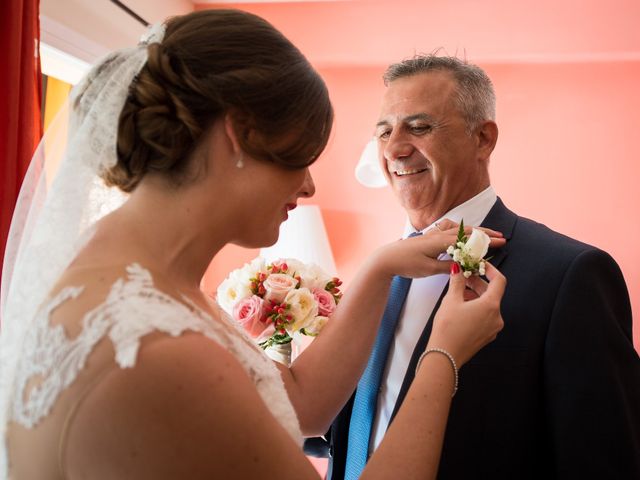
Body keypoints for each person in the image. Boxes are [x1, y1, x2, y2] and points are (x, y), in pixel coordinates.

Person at [0, 11, 507, 479]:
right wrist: (444, 355)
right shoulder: (162, 347)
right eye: (299, 157)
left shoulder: (131, 276)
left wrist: (377, 269)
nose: (308, 187)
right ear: (239, 135)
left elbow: (298, 405)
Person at [317, 55, 640, 479]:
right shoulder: (374, 274)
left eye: (419, 126)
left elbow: (605, 460)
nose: (393, 148)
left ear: (483, 139)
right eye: (383, 131)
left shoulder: (569, 275)